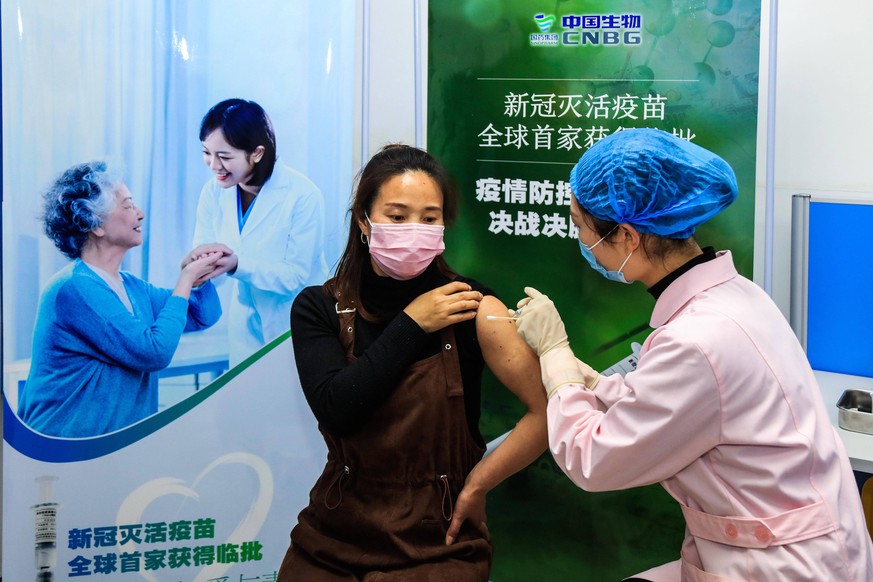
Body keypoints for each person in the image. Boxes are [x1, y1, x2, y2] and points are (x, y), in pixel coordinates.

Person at [511, 128, 873, 581]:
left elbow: (594, 460)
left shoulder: (697, 339)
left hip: (780, 564)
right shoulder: (737, 296)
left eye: (580, 226)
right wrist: (590, 379)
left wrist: (555, 352)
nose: (581, 239)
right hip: (797, 538)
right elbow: (680, 403)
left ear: (626, 235)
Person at [278, 144, 547, 580]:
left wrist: (478, 485)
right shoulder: (319, 307)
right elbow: (338, 408)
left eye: (429, 218)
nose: (414, 229)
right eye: (397, 216)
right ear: (365, 220)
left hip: (438, 543)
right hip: (332, 536)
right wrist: (411, 324)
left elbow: (546, 410)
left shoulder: (473, 305)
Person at [18, 161, 223, 438]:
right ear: (95, 224)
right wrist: (185, 280)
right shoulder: (73, 289)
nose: (139, 213)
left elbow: (202, 315)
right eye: (127, 205)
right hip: (64, 452)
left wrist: (200, 275)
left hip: (113, 451)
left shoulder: (132, 287)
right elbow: (154, 352)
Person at [186, 98, 329, 366]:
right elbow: (208, 258)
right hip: (243, 324)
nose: (213, 165)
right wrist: (199, 269)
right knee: (248, 403)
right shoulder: (213, 193)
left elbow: (294, 276)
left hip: (296, 321)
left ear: (257, 153)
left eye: (224, 157)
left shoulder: (303, 195)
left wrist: (237, 264)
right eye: (207, 153)